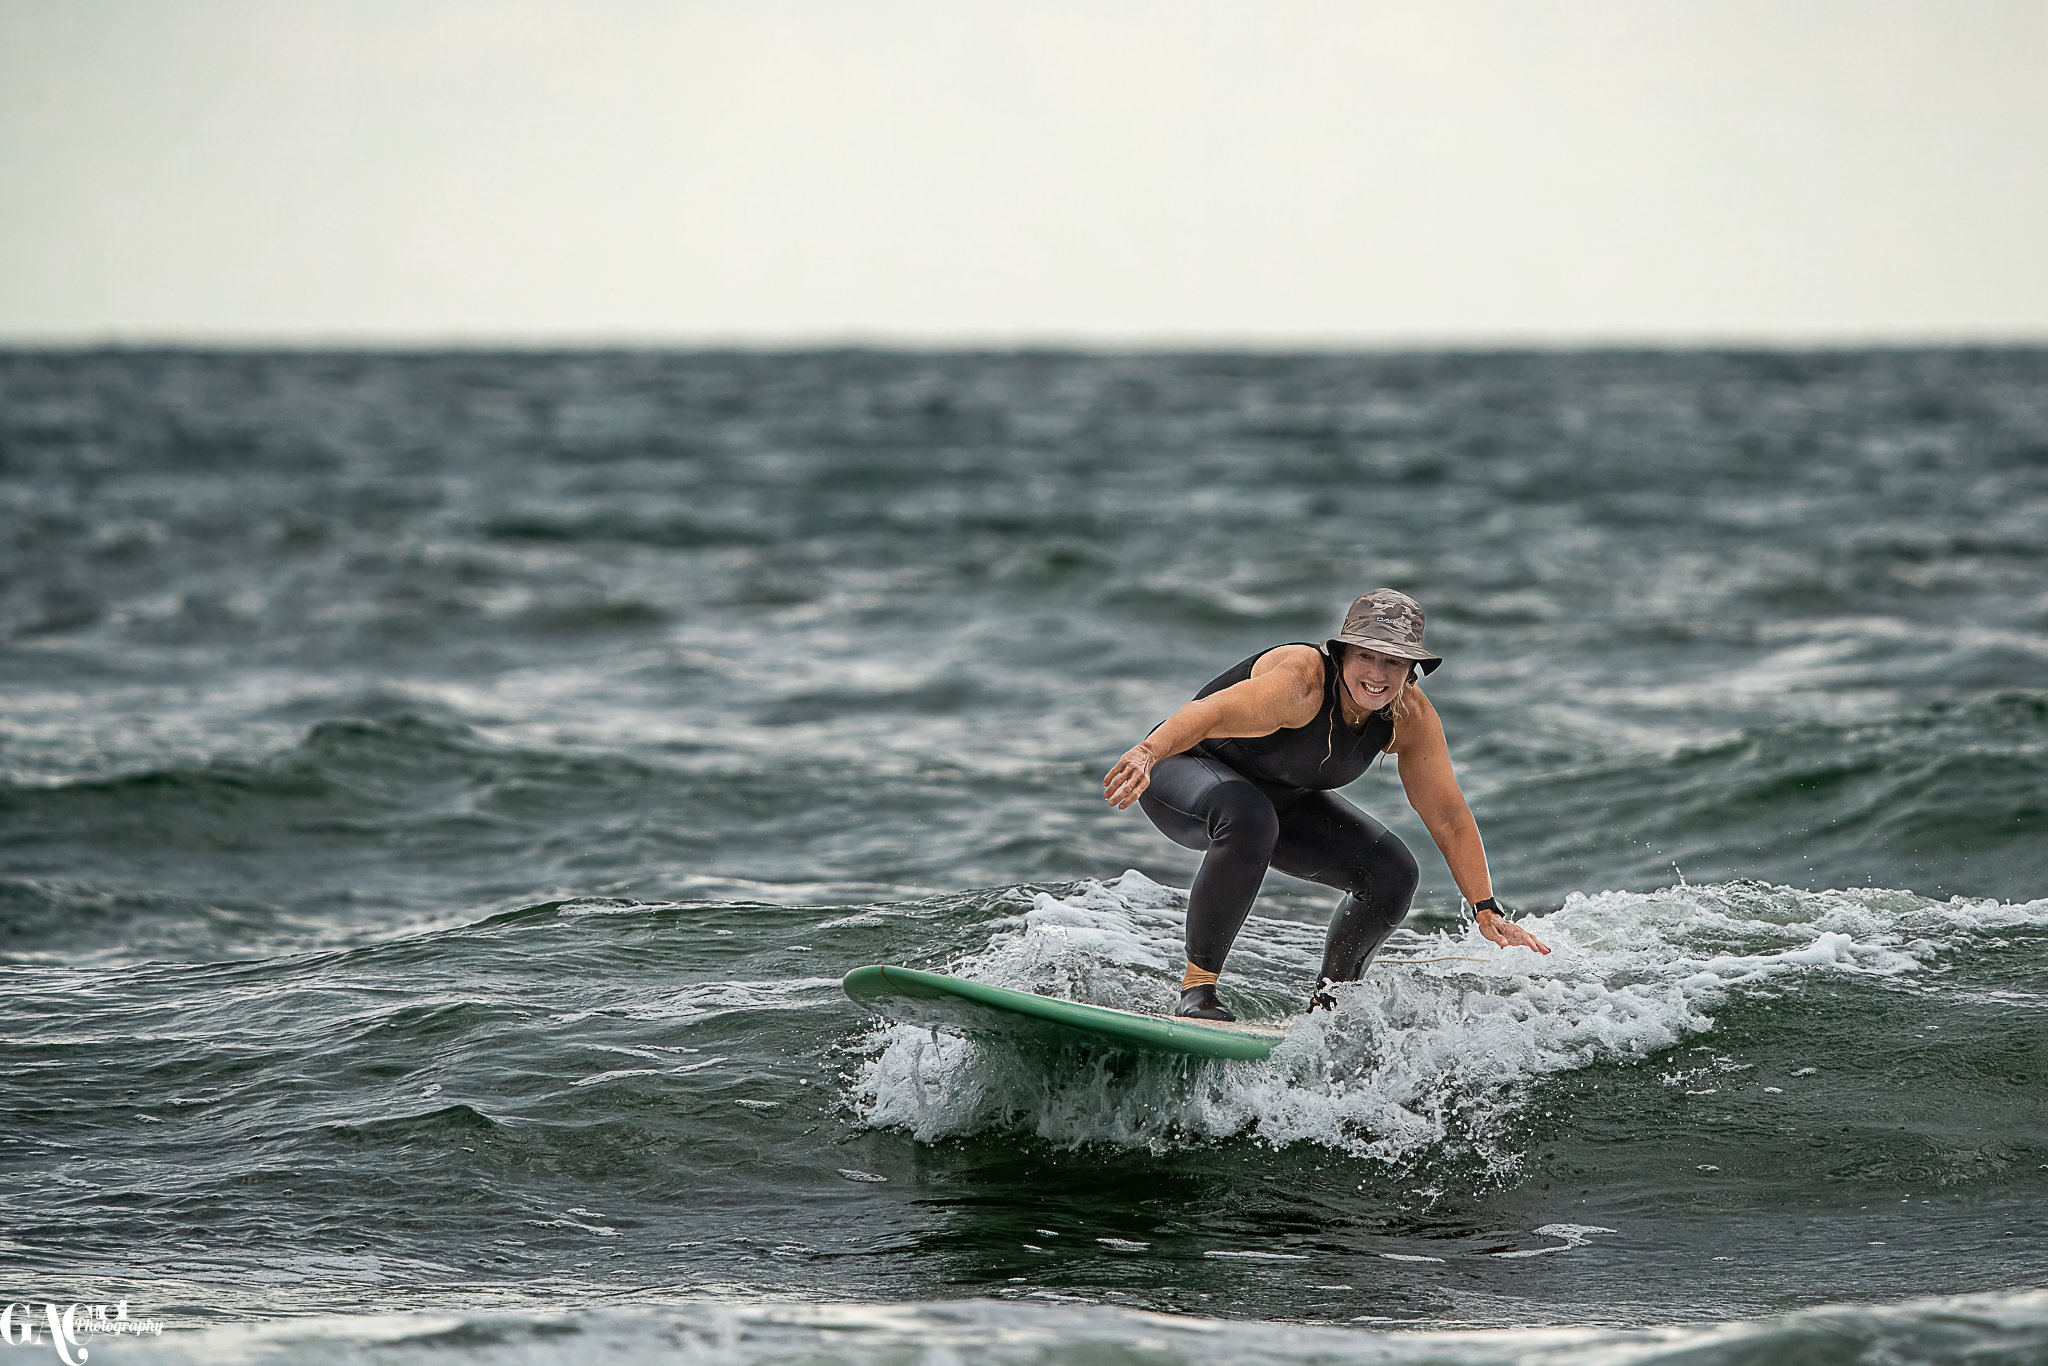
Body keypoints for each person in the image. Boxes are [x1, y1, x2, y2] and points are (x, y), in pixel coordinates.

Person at [1102, 589, 1550, 1020]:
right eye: (1365, 656)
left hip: (1281, 802)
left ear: (1411, 669)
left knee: (1392, 874)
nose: (1377, 674)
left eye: (1393, 662)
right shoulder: (1301, 683)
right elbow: (1208, 715)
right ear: (1342, 654)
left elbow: (1448, 816)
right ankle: (1197, 990)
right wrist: (1147, 753)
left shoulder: (1408, 716)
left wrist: (1485, 907)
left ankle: (1329, 1008)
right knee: (1248, 815)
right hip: (1183, 769)